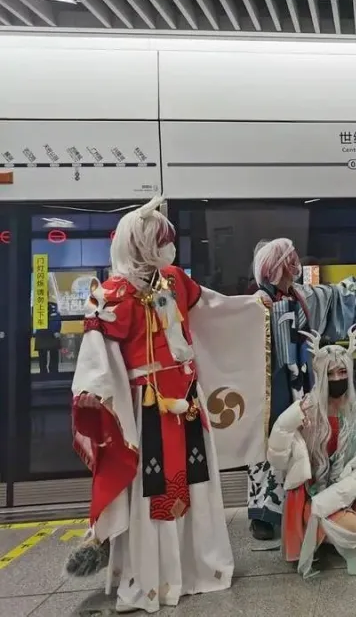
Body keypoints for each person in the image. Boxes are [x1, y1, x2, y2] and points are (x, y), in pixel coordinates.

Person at [65, 197, 268, 613]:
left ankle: (199, 569)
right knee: (152, 489)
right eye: (160, 241)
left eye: (167, 241)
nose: (168, 249)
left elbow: (211, 306)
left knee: (195, 484)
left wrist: (250, 306)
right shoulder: (111, 295)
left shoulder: (174, 280)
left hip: (188, 402)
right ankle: (154, 579)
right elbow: (97, 355)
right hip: (145, 408)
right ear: (138, 244)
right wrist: (95, 390)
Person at [247, 238, 356, 541]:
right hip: (270, 384)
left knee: (302, 444)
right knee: (268, 444)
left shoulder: (302, 295)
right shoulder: (256, 301)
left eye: (294, 259)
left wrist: (355, 290)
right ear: (274, 267)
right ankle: (263, 514)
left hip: (303, 380)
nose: (295, 264)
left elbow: (332, 298)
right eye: (289, 260)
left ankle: (299, 507)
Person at [266, 324, 356, 578]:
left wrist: (338, 495)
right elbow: (277, 457)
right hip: (310, 494)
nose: (337, 379)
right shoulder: (305, 410)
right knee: (350, 526)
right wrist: (289, 422)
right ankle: (319, 537)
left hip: (344, 488)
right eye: (330, 373)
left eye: (341, 372)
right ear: (320, 375)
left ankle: (340, 531)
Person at [35, 298, 62, 375]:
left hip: (51, 332)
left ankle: (53, 372)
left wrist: (56, 330)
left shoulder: (54, 305)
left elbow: (57, 318)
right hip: (42, 332)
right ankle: (44, 372)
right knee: (42, 355)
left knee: (53, 353)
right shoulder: (37, 306)